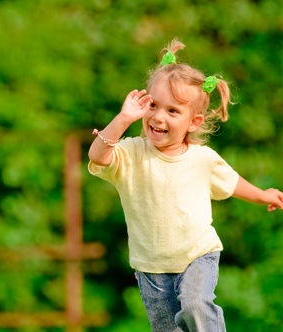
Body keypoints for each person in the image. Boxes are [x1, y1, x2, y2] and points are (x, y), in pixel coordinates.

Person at [87, 39, 283, 332]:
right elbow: (97, 156)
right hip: (151, 267)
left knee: (195, 305)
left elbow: (231, 182)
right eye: (152, 105)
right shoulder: (131, 153)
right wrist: (123, 119)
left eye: (173, 111)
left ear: (194, 121)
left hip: (197, 255)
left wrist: (262, 195)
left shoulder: (202, 159)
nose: (158, 116)